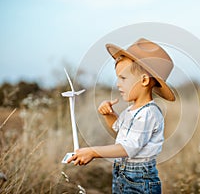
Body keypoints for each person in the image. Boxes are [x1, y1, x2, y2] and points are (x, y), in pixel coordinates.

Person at [67, 38, 175, 193]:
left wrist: (93, 152)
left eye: (123, 78)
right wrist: (109, 115)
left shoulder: (148, 113)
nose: (118, 84)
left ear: (144, 80)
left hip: (140, 179)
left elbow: (127, 148)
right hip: (122, 174)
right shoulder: (131, 110)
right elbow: (120, 133)